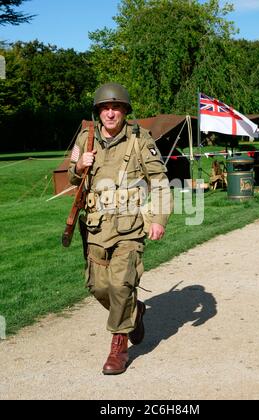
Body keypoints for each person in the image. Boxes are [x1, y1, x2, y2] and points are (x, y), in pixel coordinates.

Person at [68, 82, 172, 375]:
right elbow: (73, 178)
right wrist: (79, 168)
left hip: (129, 228)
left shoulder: (140, 139)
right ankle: (134, 312)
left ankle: (118, 347)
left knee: (121, 285)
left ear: (125, 111)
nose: (110, 113)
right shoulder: (85, 139)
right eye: (105, 108)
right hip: (96, 228)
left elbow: (160, 182)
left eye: (116, 108)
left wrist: (157, 219)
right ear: (98, 112)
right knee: (99, 286)